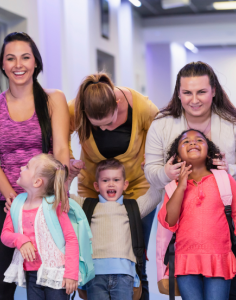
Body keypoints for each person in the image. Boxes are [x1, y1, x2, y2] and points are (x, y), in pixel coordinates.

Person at [145, 61, 236, 300]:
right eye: (187, 92)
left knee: (235, 292)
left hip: (227, 230)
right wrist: (167, 174)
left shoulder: (235, 123)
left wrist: (229, 172)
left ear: (213, 90)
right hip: (185, 235)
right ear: (178, 93)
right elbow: (151, 172)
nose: (194, 99)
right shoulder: (161, 124)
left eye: (201, 92)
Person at [0, 32, 70, 300]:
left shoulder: (54, 99)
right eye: (11, 58)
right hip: (8, 204)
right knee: (3, 286)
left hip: (49, 203)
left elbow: (62, 149)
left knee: (51, 282)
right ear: (3, 65)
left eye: (25, 57)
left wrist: (60, 191)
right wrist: (13, 199)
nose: (18, 64)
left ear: (36, 63)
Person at [68, 73, 159, 298]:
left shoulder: (141, 106)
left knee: (137, 261)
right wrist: (69, 161)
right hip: (92, 186)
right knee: (90, 251)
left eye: (109, 122)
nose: (106, 130)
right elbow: (57, 135)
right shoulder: (76, 108)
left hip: (137, 186)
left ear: (117, 103)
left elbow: (163, 132)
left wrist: (155, 155)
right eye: (97, 126)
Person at [158, 129, 236, 300]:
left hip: (219, 258)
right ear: (177, 156)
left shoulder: (224, 180)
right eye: (186, 141)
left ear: (209, 151)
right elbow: (170, 220)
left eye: (199, 140)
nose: (192, 143)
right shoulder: (173, 187)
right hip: (185, 260)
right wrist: (181, 186)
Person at [70, 159, 161, 300]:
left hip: (124, 275)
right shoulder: (85, 205)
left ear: (125, 185)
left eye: (116, 179)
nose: (111, 183)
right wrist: (70, 176)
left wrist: (149, 173)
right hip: (95, 275)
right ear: (96, 185)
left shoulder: (133, 207)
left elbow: (155, 195)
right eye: (105, 180)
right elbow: (63, 197)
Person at [1, 154, 79, 299]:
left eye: (27, 167)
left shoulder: (55, 206)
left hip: (57, 273)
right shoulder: (16, 204)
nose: (21, 167)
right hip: (32, 274)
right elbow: (5, 235)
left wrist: (71, 274)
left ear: (37, 182)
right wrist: (20, 240)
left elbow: (71, 239)